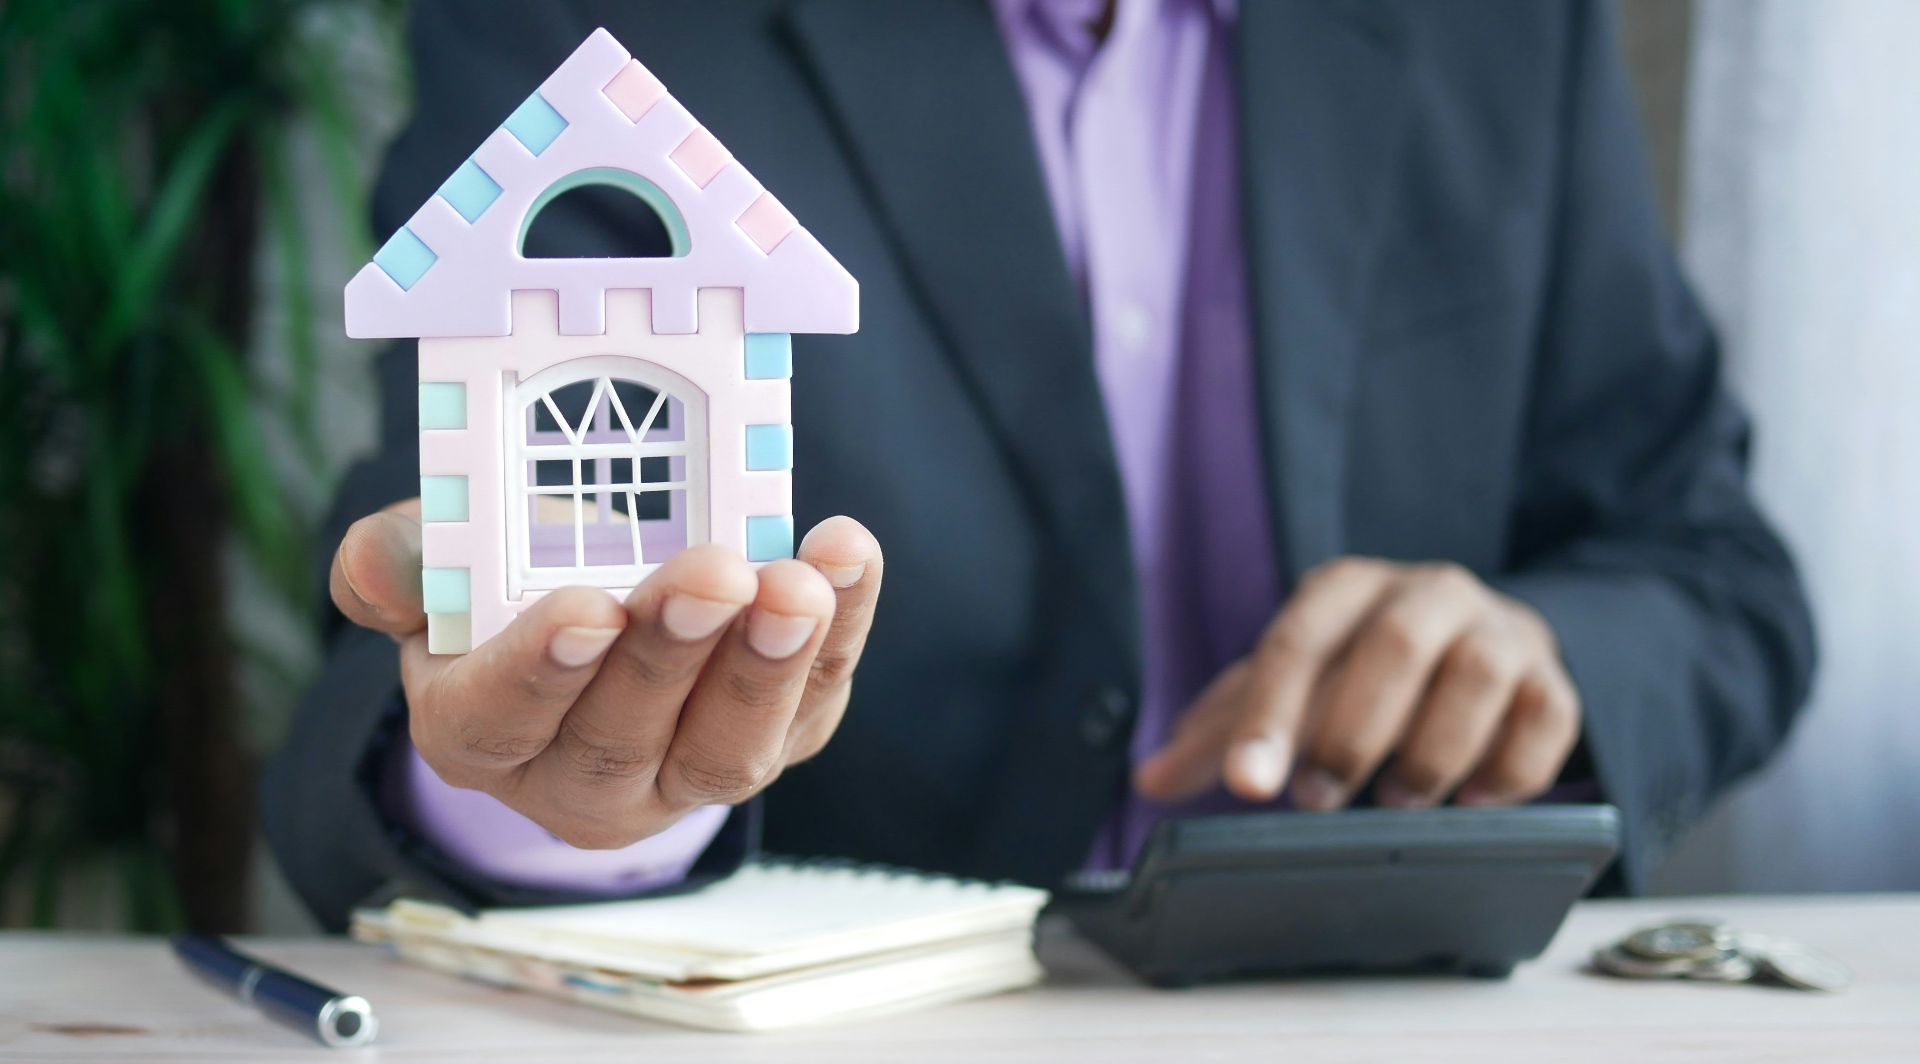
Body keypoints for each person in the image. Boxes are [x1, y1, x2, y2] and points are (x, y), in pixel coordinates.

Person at [265, 0, 1815, 931]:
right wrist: (561, 797)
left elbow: (1712, 575)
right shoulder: (596, 27)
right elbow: (426, 618)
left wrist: (1545, 657)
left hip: (1382, 1015)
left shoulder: (1499, 26)